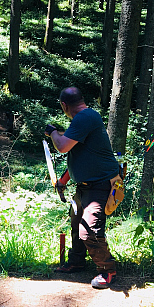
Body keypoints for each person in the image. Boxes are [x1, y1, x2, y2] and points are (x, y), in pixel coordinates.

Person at [44, 87, 119, 289]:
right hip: (86, 186)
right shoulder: (85, 119)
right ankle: (76, 262)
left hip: (101, 185)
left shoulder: (85, 117)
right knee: (77, 222)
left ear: (64, 105)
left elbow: (62, 146)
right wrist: (63, 181)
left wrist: (52, 132)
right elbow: (77, 156)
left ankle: (107, 270)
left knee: (89, 230)